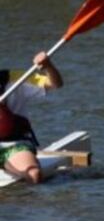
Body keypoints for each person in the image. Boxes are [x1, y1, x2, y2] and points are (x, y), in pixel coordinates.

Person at [1, 52, 64, 184]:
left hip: (12, 145)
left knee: (34, 174)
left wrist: (48, 66)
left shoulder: (15, 79)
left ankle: (27, 194)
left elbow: (56, 84)